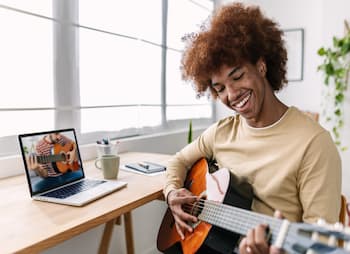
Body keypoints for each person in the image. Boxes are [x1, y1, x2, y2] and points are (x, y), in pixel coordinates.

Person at [163, 2, 342, 253]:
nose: (232, 94)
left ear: (261, 65)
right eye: (220, 88)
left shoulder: (314, 144)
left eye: (237, 76)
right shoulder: (221, 132)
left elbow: (321, 247)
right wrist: (172, 193)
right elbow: (178, 160)